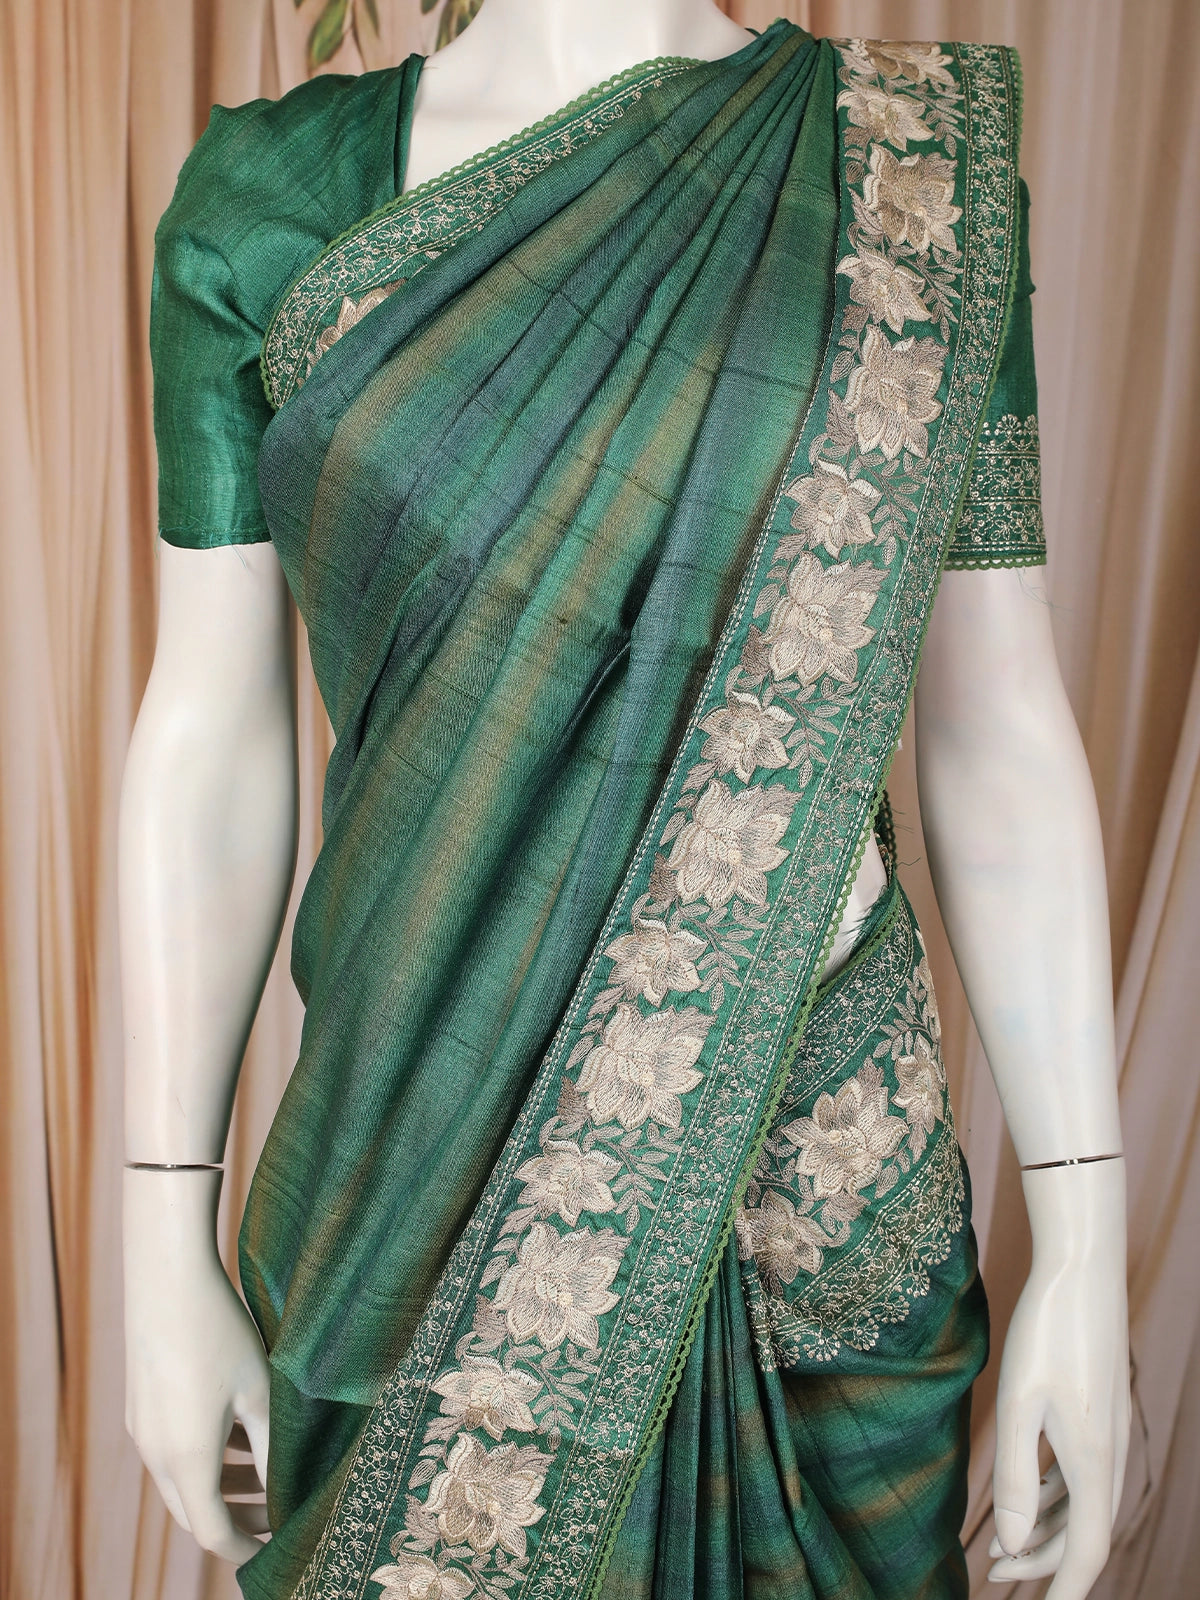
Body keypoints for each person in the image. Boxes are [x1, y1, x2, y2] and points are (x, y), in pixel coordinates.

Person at [120, 4, 1131, 1597]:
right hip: (418, 1152)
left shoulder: (907, 168)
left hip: (805, 1177)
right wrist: (154, 1230)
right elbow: (207, 733)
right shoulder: (269, 211)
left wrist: (1088, 1235)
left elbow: (996, 719)